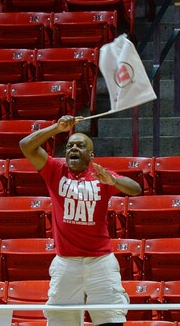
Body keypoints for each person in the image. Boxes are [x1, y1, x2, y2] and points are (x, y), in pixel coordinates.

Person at [19, 115, 143, 326]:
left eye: (80, 146)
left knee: (110, 318)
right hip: (66, 262)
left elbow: (136, 189)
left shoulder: (100, 174)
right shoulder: (55, 170)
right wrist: (56, 128)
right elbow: (26, 146)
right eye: (69, 146)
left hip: (100, 262)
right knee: (60, 321)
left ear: (91, 154)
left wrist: (113, 180)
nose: (73, 149)